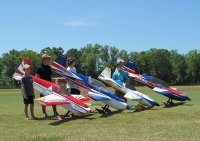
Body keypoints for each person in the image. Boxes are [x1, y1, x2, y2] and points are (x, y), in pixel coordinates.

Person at [35, 53, 59, 118]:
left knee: (53, 99)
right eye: (47, 59)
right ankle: (44, 113)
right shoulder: (39, 68)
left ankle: (55, 112)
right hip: (43, 87)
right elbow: (36, 77)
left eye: (48, 59)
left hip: (50, 86)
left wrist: (53, 84)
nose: (48, 60)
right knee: (43, 99)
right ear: (43, 59)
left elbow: (50, 77)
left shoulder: (49, 67)